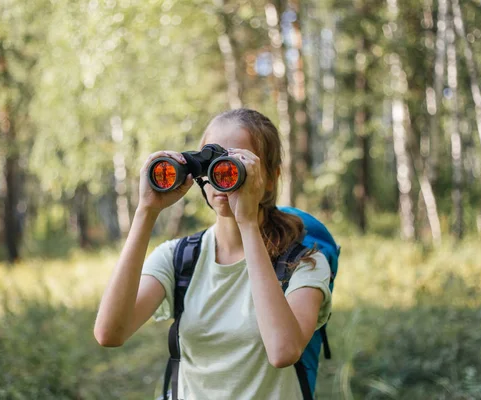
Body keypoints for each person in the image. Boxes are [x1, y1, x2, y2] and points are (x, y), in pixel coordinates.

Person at [94, 108, 332, 399]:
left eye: (235, 163)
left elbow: (283, 351)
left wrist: (246, 222)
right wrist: (146, 211)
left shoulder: (303, 262)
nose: (221, 173)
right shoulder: (179, 258)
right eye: (214, 161)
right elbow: (110, 333)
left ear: (270, 178)